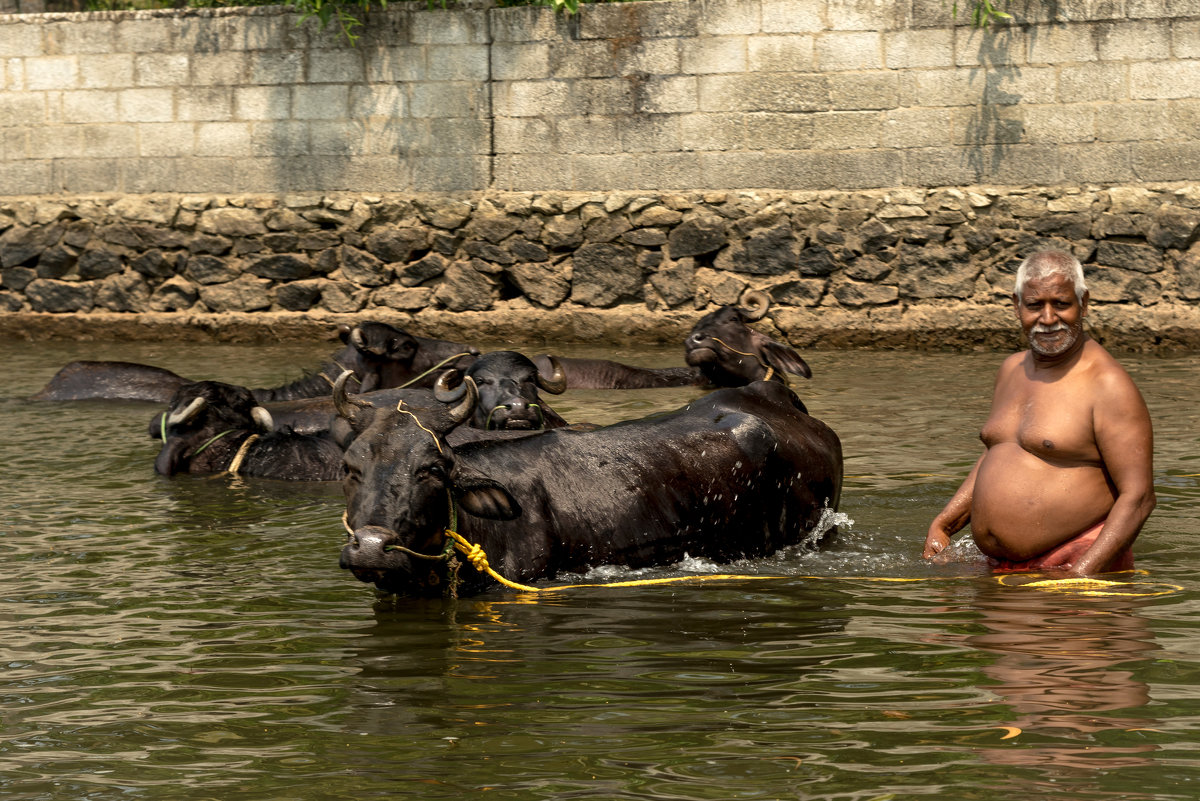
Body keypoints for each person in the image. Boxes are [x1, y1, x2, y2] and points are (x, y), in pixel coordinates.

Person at [923, 249, 1155, 575]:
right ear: (1016, 305)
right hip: (1002, 570)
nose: (1048, 319)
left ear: (1083, 303)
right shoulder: (1010, 369)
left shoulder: (1108, 384)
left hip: (1071, 569)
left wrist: (1081, 576)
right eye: (1034, 306)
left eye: (1061, 304)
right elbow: (1000, 452)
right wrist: (945, 523)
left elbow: (1139, 497)